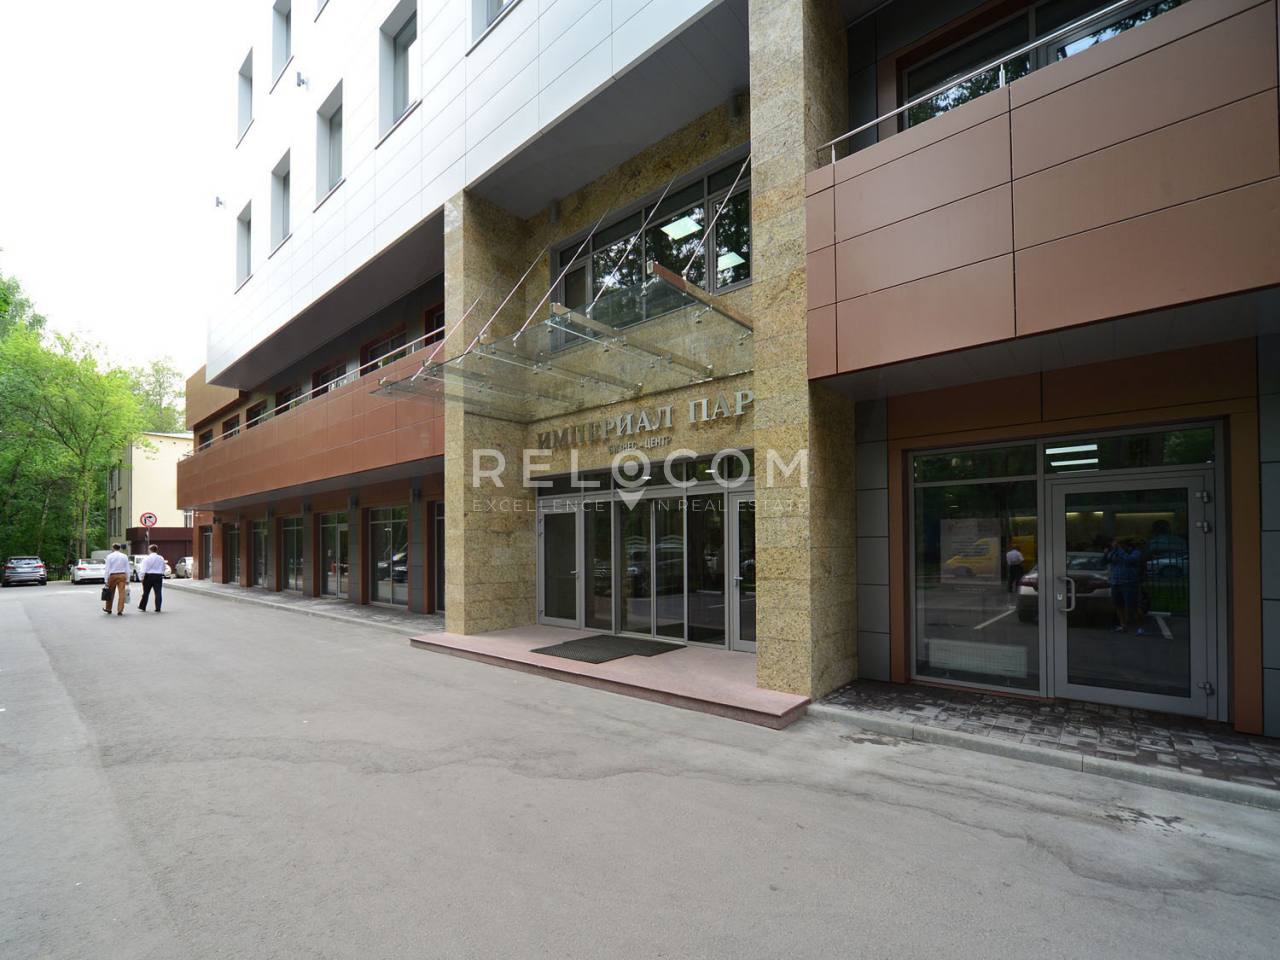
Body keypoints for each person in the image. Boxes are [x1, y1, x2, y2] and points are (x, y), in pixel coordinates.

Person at [1101, 538, 1144, 634]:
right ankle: (1123, 625)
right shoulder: (1113, 552)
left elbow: (1130, 560)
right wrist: (1106, 553)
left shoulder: (1135, 552)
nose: (1113, 545)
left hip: (1129, 583)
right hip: (1115, 582)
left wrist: (1120, 550)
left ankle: (1140, 627)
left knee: (1132, 606)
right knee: (1118, 605)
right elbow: (1103, 563)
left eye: (1116, 543)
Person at [103, 544, 130, 615]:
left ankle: (108, 609)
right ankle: (120, 610)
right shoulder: (124, 556)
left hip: (113, 575)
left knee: (110, 592)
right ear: (120, 548)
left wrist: (106, 580)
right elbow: (127, 568)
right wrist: (128, 579)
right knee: (122, 593)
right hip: (122, 575)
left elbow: (107, 569)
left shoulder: (109, 556)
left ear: (113, 548)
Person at [138, 545, 166, 613]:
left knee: (146, 592)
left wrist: (141, 577)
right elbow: (164, 567)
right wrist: (161, 572)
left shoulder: (147, 558)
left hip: (149, 576)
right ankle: (158, 608)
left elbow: (143, 569)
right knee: (158, 592)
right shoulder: (161, 558)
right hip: (158, 576)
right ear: (156, 550)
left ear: (149, 550)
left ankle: (143, 607)